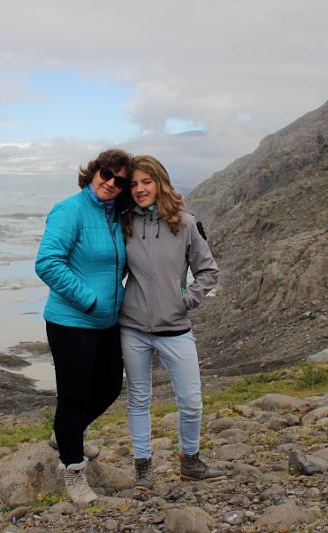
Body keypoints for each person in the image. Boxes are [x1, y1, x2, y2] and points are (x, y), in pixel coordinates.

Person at [119, 154, 224, 489]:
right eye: (134, 184)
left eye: (145, 182)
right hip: (132, 327)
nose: (139, 189)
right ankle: (143, 468)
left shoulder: (186, 223)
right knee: (138, 399)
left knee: (191, 402)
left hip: (175, 328)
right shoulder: (124, 223)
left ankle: (190, 462)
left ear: (160, 182)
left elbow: (208, 271)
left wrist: (186, 300)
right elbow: (111, 269)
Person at [34, 148, 132, 504]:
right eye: (106, 173)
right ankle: (73, 471)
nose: (111, 183)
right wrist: (89, 300)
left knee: (108, 387)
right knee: (73, 398)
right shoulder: (70, 210)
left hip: (107, 323)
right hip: (72, 321)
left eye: (120, 180)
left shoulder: (118, 215)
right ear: (93, 171)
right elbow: (47, 262)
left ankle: (66, 436)